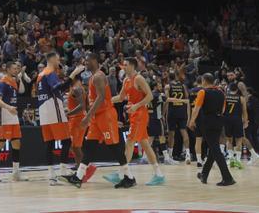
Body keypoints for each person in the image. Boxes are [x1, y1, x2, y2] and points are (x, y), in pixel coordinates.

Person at [60, 53, 129, 188]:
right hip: (98, 116)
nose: (85, 63)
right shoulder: (93, 77)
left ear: (95, 60)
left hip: (105, 115)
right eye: (84, 61)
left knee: (114, 146)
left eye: (87, 60)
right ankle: (78, 177)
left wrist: (87, 116)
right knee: (90, 146)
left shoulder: (98, 76)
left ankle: (129, 177)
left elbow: (101, 97)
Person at [109, 57, 165, 186]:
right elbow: (121, 97)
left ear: (133, 66)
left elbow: (150, 96)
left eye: (126, 65)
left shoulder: (139, 78)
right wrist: (106, 100)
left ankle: (121, 173)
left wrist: (136, 106)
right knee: (145, 144)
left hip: (140, 114)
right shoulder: (126, 80)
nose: (124, 67)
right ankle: (159, 174)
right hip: (133, 114)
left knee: (129, 141)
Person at [36, 52, 83, 186]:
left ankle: (51, 174)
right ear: (52, 59)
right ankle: (63, 169)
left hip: (43, 111)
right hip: (53, 109)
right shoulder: (50, 72)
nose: (59, 61)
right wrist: (73, 75)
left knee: (49, 143)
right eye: (58, 58)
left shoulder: (40, 74)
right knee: (67, 140)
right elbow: (58, 87)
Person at [189, 73, 235, 187]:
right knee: (213, 147)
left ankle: (227, 177)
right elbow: (223, 109)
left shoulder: (202, 92)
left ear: (204, 81)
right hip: (219, 120)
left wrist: (191, 120)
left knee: (215, 149)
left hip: (208, 122)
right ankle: (204, 174)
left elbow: (197, 108)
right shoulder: (221, 92)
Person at [0, 61, 26, 182]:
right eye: (14, 68)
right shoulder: (3, 82)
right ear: (8, 69)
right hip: (4, 113)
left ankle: (15, 173)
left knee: (16, 143)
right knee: (1, 143)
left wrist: (20, 78)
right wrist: (8, 107)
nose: (16, 70)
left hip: (12, 114)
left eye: (17, 68)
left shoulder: (14, 81)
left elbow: (22, 91)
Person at [163, 71, 191, 165]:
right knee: (184, 132)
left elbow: (167, 99)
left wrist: (164, 113)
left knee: (171, 134)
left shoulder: (167, 86)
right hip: (182, 111)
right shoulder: (183, 86)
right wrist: (182, 101)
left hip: (172, 112)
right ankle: (188, 154)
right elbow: (187, 97)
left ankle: (170, 155)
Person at [223, 83, 247, 168]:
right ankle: (238, 160)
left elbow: (222, 110)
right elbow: (244, 111)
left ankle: (231, 159)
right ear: (237, 90)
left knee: (229, 140)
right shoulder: (241, 98)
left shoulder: (225, 97)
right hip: (237, 120)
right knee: (239, 141)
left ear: (229, 89)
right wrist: (246, 121)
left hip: (227, 120)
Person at [66, 75, 87, 168]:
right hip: (78, 119)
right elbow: (86, 105)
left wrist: (69, 113)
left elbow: (82, 106)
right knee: (75, 146)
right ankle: (79, 166)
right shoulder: (80, 88)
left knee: (74, 146)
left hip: (76, 120)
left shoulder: (76, 89)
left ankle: (82, 167)